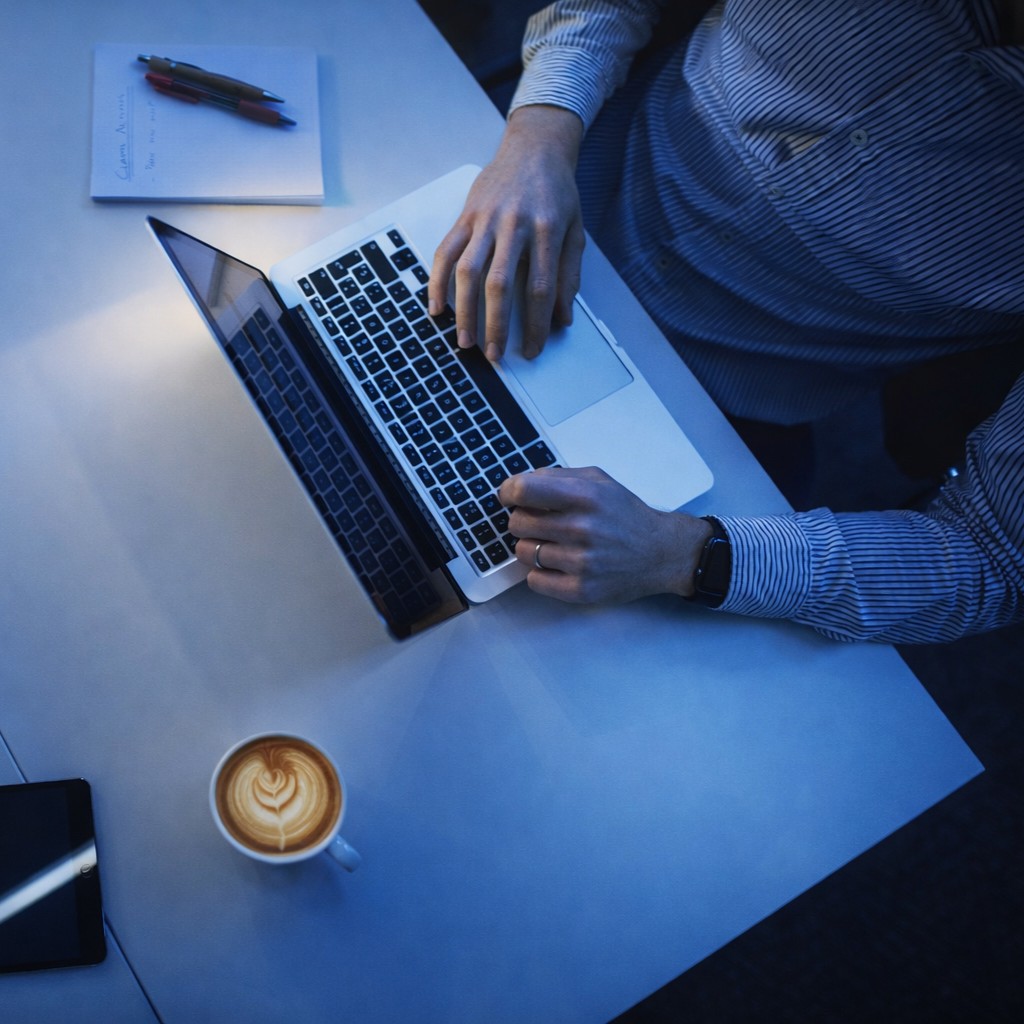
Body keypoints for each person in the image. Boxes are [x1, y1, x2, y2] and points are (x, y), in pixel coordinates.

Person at [426, 0, 1024, 644]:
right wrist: (537, 136)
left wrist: (685, 555)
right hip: (543, 182)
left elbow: (993, 556)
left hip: (717, 408)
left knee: (467, 629)